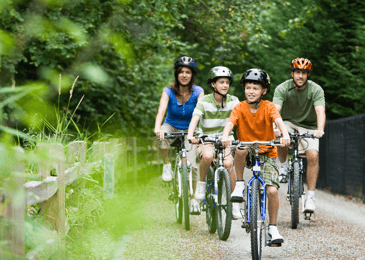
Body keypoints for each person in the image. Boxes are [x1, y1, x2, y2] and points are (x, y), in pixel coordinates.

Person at [221, 68, 290, 244]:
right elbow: (230, 124)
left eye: (255, 88)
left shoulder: (269, 107)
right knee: (241, 148)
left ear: (264, 91)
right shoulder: (239, 107)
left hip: (266, 152)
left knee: (272, 190)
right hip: (248, 150)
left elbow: (278, 120)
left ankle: (273, 227)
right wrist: (225, 136)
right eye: (248, 87)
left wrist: (285, 134)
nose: (251, 91)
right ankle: (239, 185)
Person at [272, 58, 325, 213]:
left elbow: (320, 110)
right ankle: (282, 167)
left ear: (308, 75)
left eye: (304, 73)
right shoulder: (282, 88)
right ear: (292, 73)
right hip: (286, 122)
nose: (300, 76)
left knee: (313, 155)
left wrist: (320, 129)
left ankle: (310, 197)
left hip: (308, 126)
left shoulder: (315, 89)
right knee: (280, 138)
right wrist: (275, 127)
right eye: (297, 72)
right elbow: (275, 109)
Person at [187, 66, 241, 218]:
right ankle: (202, 185)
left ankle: (234, 204)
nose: (225, 85)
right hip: (206, 139)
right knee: (208, 156)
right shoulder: (204, 101)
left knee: (229, 164)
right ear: (213, 85)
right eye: (221, 82)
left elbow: (242, 119)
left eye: (227, 83)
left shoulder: (234, 101)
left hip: (226, 140)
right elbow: (195, 119)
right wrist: (191, 135)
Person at [154, 56, 204, 213]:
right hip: (172, 126)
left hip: (190, 130)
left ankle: (194, 199)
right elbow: (161, 110)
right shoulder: (168, 91)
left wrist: (201, 133)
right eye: (181, 72)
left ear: (192, 75)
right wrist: (158, 128)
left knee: (193, 166)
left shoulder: (198, 91)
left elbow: (202, 113)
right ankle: (167, 165)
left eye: (188, 72)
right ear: (177, 74)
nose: (184, 75)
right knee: (162, 139)